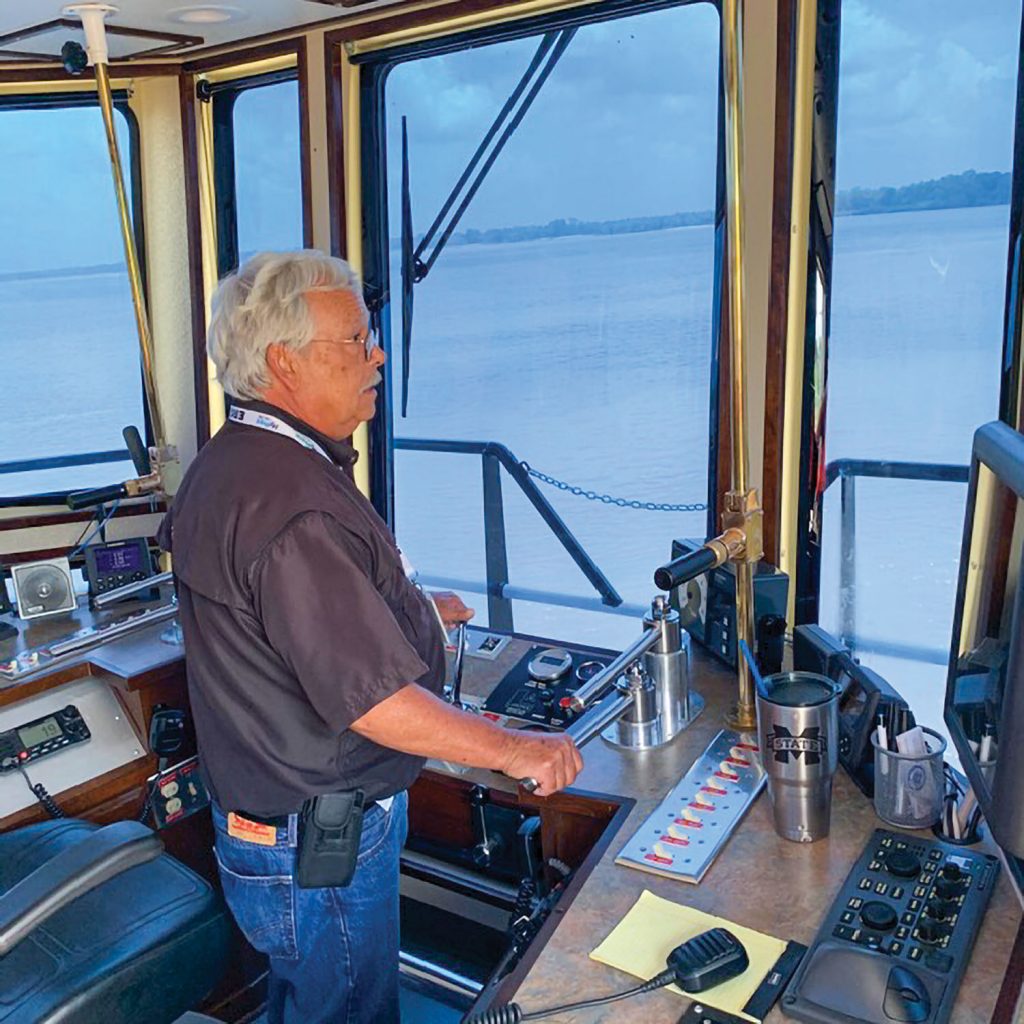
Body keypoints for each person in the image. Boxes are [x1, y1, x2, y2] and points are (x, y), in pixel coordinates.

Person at [157, 250, 581, 1024]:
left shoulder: (231, 465)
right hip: (318, 841)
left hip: (267, 827)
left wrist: (412, 610)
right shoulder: (295, 505)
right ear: (284, 363)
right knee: (349, 1012)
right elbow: (374, 701)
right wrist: (515, 749)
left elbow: (285, 618)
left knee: (308, 1001)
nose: (377, 353)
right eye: (355, 340)